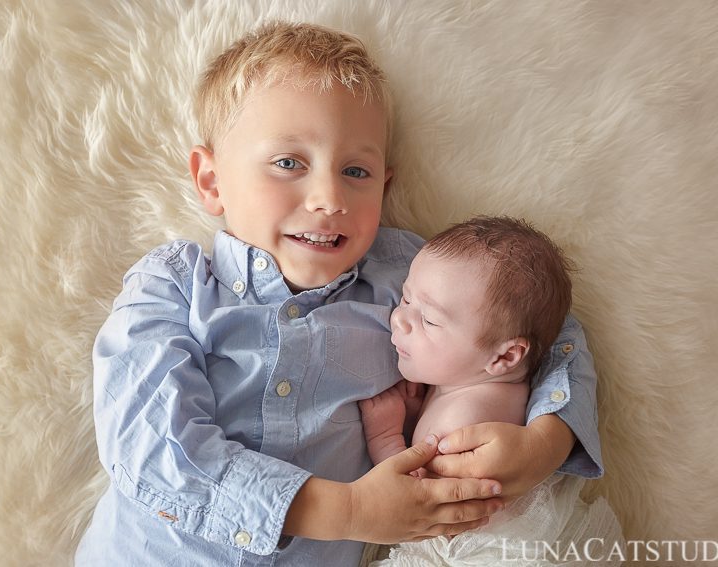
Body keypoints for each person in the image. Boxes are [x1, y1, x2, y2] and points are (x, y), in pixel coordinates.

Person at [75, 22, 603, 567]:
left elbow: (542, 320)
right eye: (288, 163)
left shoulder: (405, 277)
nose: (330, 198)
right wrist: (350, 511)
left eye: (356, 171)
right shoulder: (171, 287)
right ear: (211, 181)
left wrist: (544, 444)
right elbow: (151, 448)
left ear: (384, 187)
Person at [361, 216, 623, 566]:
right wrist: (415, 416)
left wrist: (385, 437)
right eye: (406, 299)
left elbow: (419, 502)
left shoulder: (466, 418)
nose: (399, 318)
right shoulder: (478, 388)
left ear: (504, 356)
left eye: (430, 320)